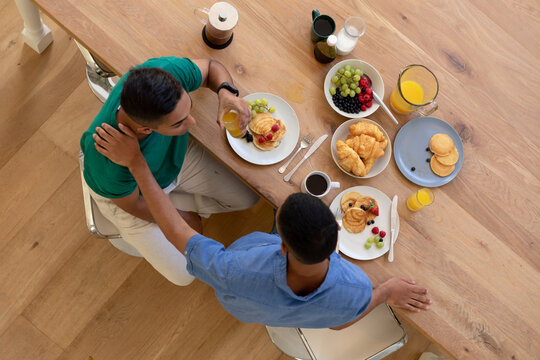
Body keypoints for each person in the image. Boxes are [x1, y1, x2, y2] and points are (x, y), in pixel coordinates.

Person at [91, 123, 432, 329]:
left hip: (239, 296)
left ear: (280, 244)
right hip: (252, 311)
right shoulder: (356, 287)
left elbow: (177, 232)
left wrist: (136, 161)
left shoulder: (231, 268)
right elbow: (340, 321)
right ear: (337, 236)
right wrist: (384, 293)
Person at [80, 57, 259, 286]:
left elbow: (211, 67)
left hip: (171, 158)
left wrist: (225, 92)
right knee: (184, 275)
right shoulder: (108, 164)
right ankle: (177, 206)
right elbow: (134, 206)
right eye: (179, 123)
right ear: (145, 129)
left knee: (248, 197)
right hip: (131, 195)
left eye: (188, 109)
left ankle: (175, 200)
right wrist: (179, 220)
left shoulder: (163, 76)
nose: (192, 123)